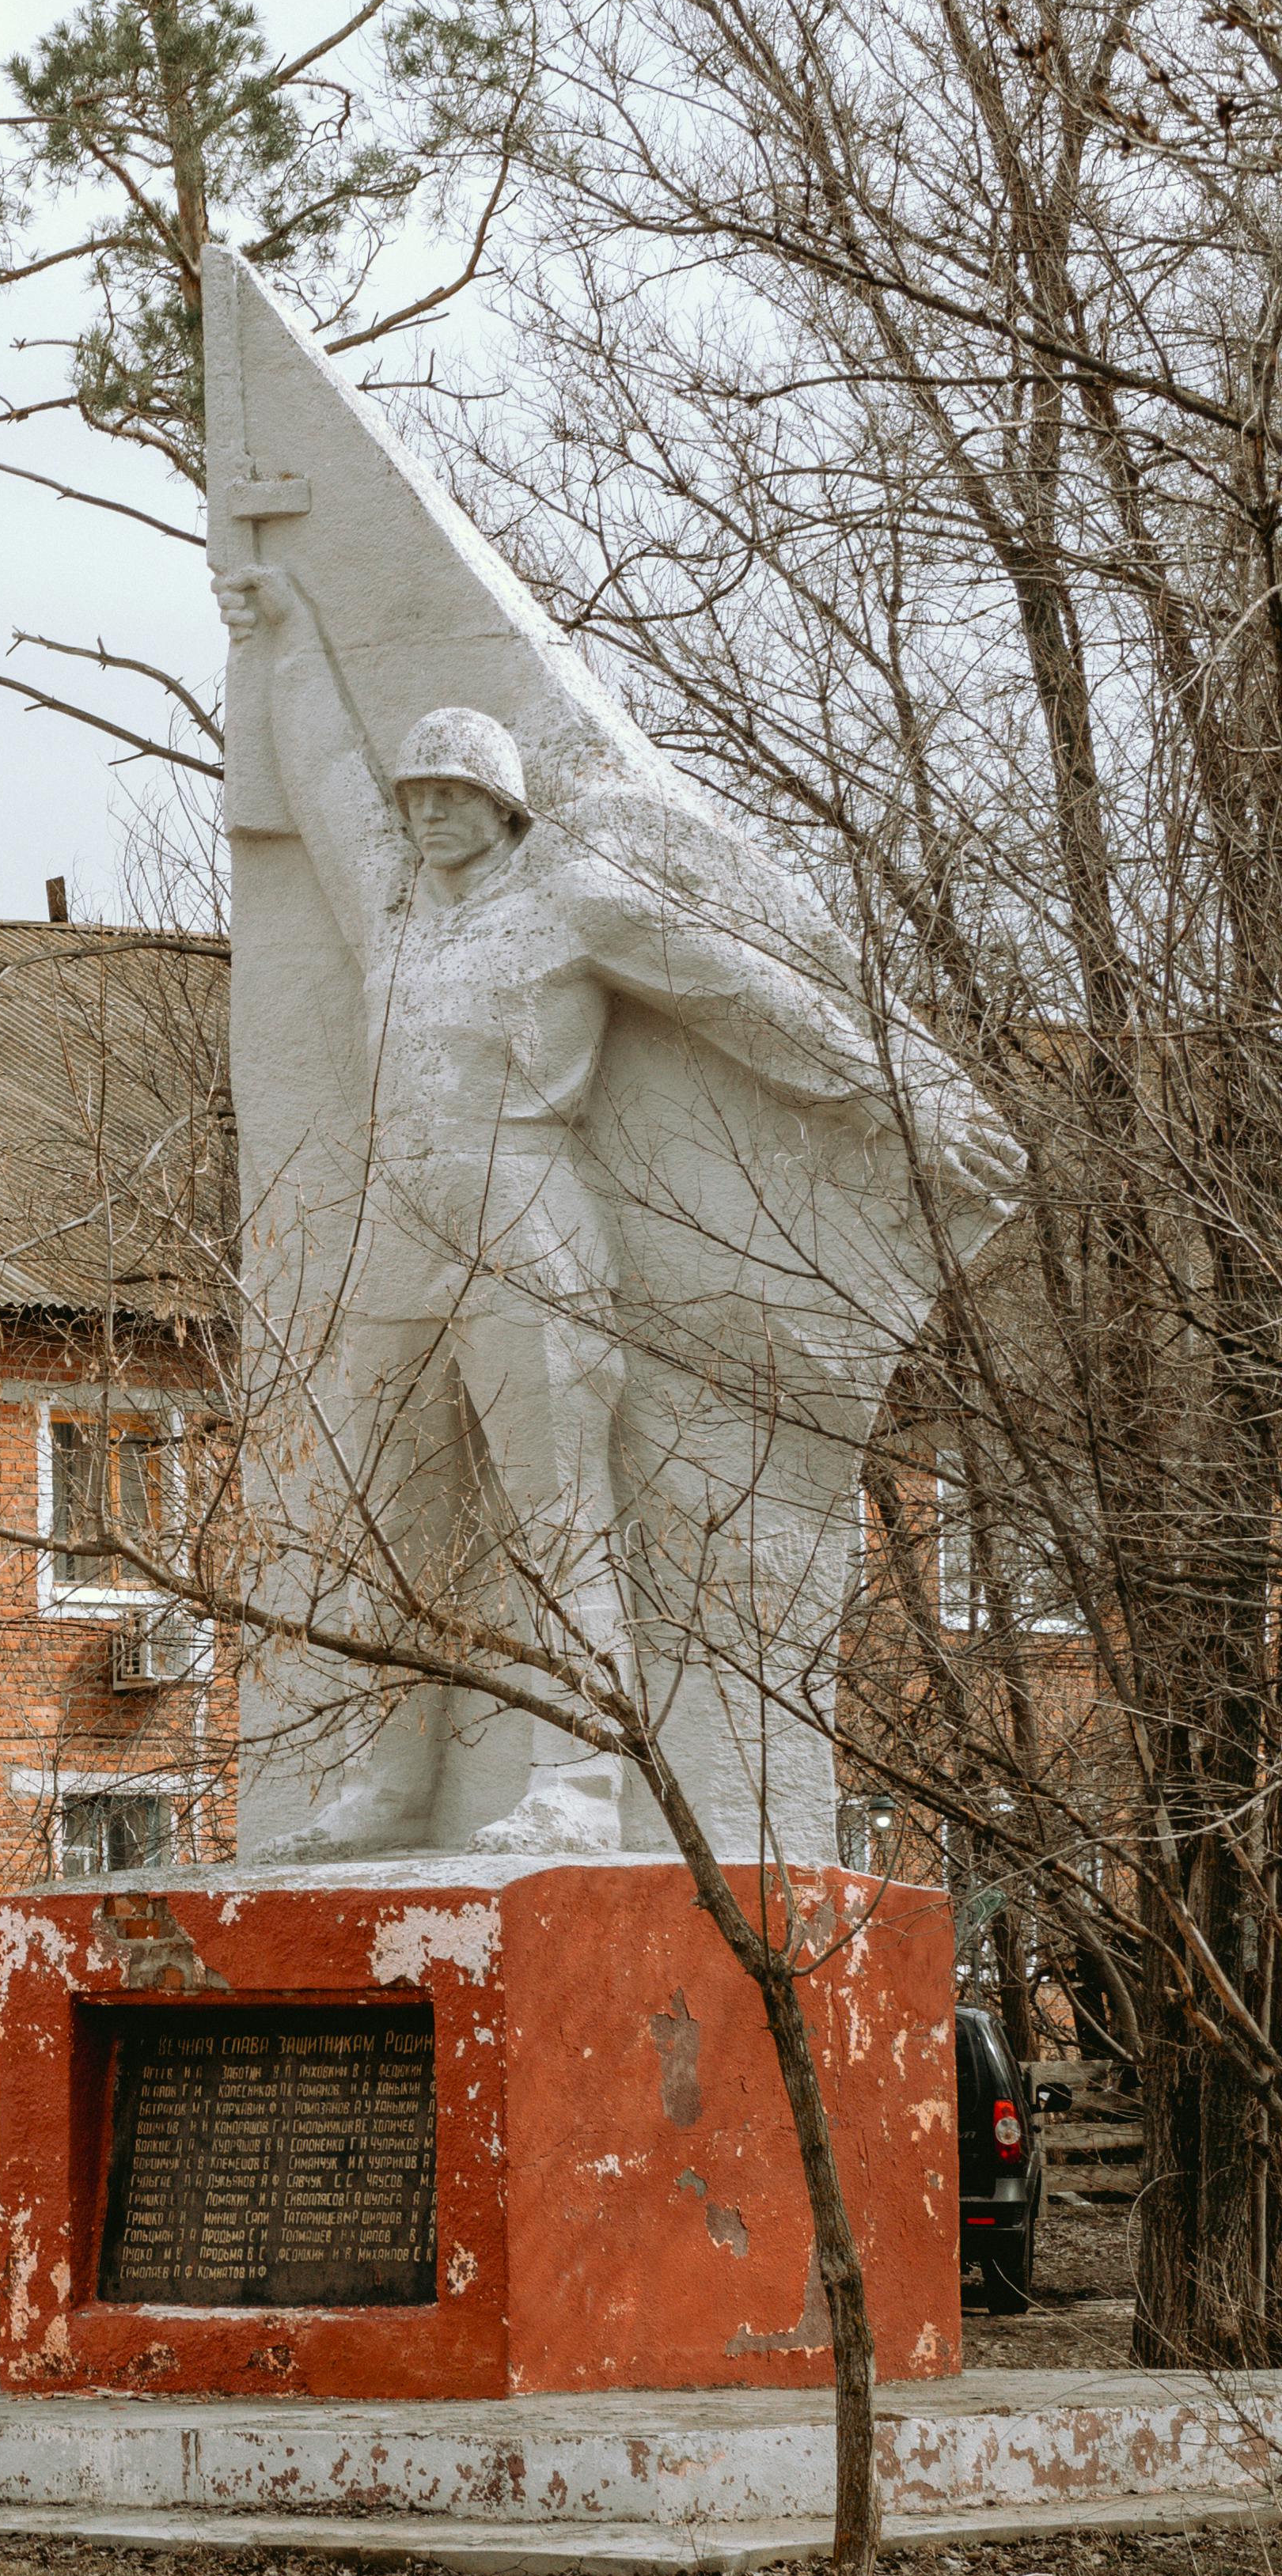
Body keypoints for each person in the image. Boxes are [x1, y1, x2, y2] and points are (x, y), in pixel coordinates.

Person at [214, 562, 1023, 1854]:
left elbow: (742, 998)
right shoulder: (392, 905)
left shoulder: (571, 902)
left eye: (455, 795)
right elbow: (320, 771)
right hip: (398, 1233)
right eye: (416, 794)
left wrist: (896, 1097)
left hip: (526, 1219)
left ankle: (577, 1782)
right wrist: (282, 625)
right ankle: (388, 1781)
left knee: (556, 1516)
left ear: (504, 806)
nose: (426, 814)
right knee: (389, 1516)